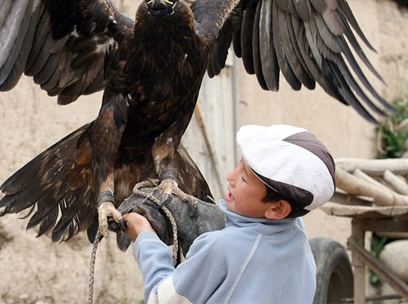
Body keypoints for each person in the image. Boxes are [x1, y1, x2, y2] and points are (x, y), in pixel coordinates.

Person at [124, 124, 336, 304]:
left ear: (278, 209)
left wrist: (145, 237)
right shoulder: (296, 233)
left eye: (244, 178)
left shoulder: (222, 248)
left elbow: (161, 298)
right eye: (239, 166)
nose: (231, 176)